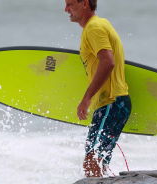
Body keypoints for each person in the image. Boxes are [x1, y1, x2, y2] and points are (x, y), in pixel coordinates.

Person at [64, 0, 132, 177]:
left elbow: (108, 62)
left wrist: (86, 98)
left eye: (70, 4)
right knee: (95, 161)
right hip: (112, 103)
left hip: (111, 102)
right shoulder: (99, 24)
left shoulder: (94, 28)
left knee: (92, 160)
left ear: (85, 3)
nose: (66, 9)